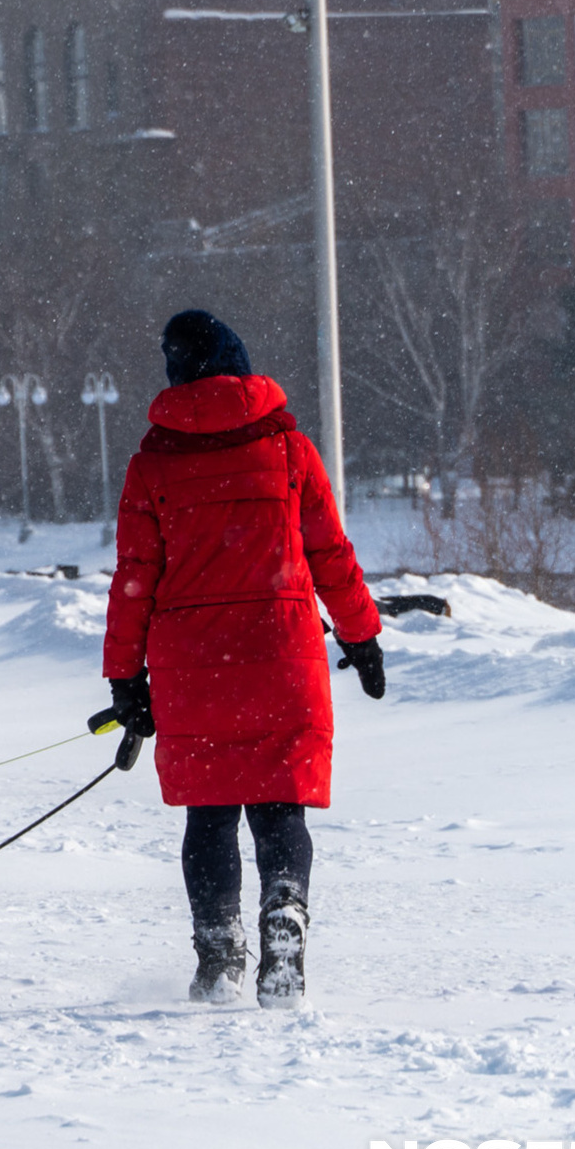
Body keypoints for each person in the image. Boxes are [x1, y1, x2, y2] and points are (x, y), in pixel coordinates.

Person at [101, 311, 385, 1008]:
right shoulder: (287, 449)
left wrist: (123, 676)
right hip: (279, 652)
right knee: (280, 805)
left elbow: (133, 575)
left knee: (209, 812)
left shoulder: (151, 464)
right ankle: (283, 914)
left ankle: (220, 948)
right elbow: (329, 553)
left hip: (189, 661)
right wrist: (360, 634)